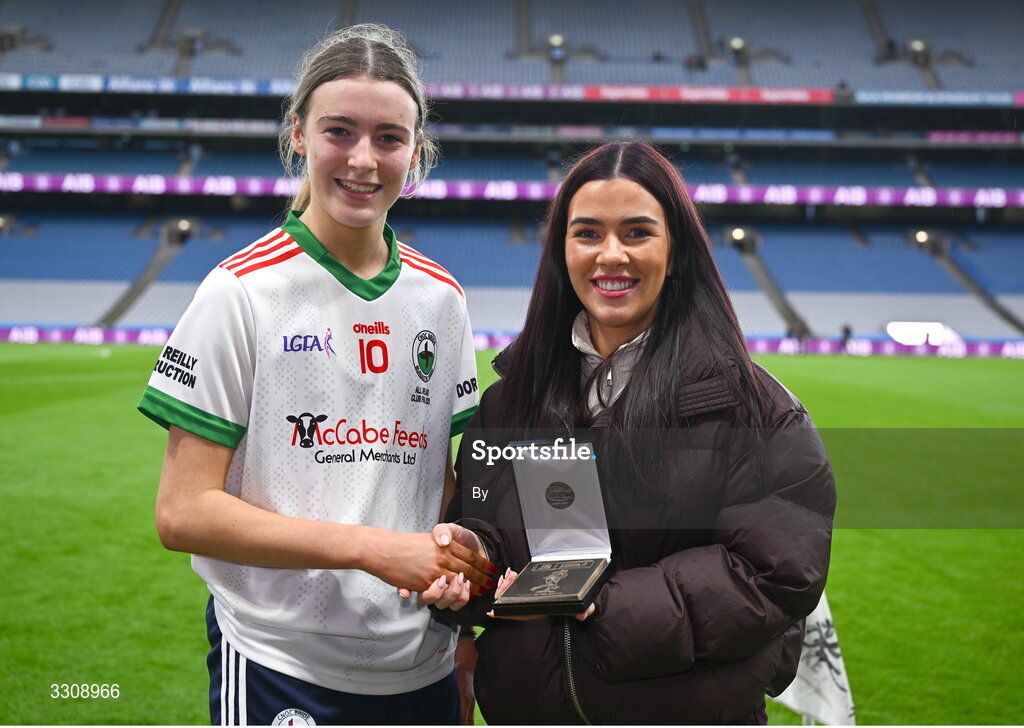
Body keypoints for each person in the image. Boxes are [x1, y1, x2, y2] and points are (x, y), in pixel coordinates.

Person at [138, 24, 495, 726]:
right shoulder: (239, 293)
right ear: (298, 134)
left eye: (390, 138)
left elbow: (439, 483)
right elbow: (182, 512)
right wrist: (369, 549)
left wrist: (459, 579)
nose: (364, 159)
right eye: (340, 131)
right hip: (281, 661)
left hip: (419, 664)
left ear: (417, 153)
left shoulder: (441, 298)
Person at [418, 141, 836, 724]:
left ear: (677, 250)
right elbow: (485, 518)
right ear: (562, 250)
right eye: (587, 233)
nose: (610, 255)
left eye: (637, 232)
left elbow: (774, 574)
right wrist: (471, 559)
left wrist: (606, 607)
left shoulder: (754, 409)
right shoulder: (510, 400)